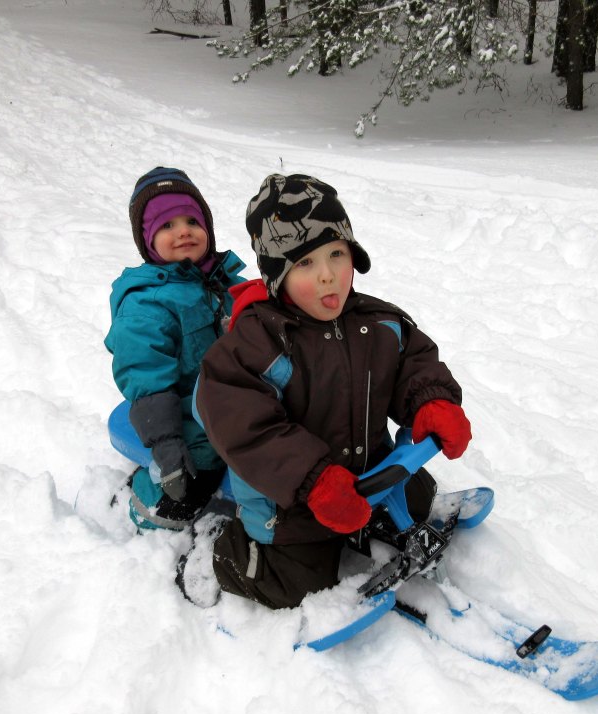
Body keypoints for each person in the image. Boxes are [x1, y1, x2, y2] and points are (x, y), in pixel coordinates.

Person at [194, 173, 471, 609]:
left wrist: (432, 400)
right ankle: (222, 551)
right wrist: (313, 480)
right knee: (296, 583)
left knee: (418, 498)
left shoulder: (375, 323)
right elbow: (244, 424)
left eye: (336, 254)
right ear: (277, 276)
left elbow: (412, 361)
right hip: (292, 499)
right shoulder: (257, 345)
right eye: (305, 263)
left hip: (367, 473)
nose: (328, 276)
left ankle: (364, 522)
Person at [105, 167, 245, 531]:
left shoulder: (226, 282)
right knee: (197, 473)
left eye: (192, 221)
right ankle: (149, 506)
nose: (183, 231)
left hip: (235, 398)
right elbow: (146, 378)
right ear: (147, 240)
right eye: (167, 225)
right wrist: (168, 444)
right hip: (185, 412)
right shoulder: (146, 305)